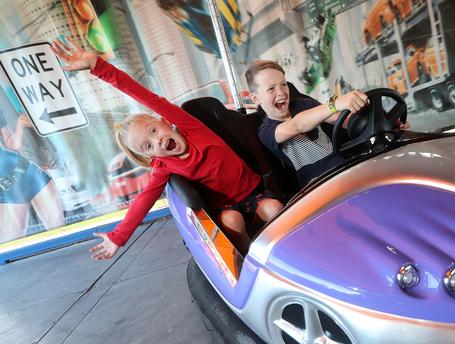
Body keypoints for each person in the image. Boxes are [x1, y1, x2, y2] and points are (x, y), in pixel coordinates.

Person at [51, 37, 283, 260]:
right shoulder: (164, 166)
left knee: (273, 209)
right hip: (226, 208)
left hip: (257, 194)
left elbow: (139, 93)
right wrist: (117, 237)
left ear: (164, 122)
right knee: (233, 221)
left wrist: (97, 66)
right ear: (151, 156)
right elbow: (143, 200)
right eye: (149, 145)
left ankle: (282, 249)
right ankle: (247, 257)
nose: (158, 140)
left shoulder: (189, 126)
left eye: (154, 131)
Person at [246, 60, 409, 187]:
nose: (281, 92)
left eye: (283, 84)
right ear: (256, 99)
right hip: (315, 184)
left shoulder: (304, 104)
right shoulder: (266, 131)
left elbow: (343, 120)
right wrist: (334, 103)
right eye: (271, 89)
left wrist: (383, 122)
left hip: (343, 166)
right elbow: (298, 125)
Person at [0, 112, 64, 243]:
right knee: (13, 248)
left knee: (62, 235)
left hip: (29, 172)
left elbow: (13, 148)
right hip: (7, 189)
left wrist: (20, 127)